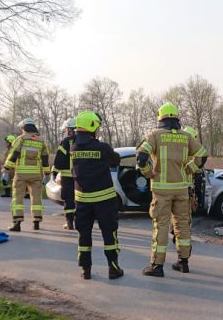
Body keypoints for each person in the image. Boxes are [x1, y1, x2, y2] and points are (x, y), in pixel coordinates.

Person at [138, 102, 207, 277]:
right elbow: (202, 154)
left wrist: (148, 173)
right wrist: (190, 169)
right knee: (182, 225)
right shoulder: (186, 137)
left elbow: (141, 157)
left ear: (160, 118)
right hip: (182, 190)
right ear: (177, 118)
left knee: (161, 226)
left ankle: (157, 266)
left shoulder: (155, 135)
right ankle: (183, 263)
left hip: (161, 190)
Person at [67, 111, 123, 280]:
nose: (98, 130)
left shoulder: (73, 148)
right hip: (104, 201)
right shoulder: (102, 148)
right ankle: (113, 269)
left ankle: (86, 270)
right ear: (92, 127)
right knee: (109, 234)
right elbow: (116, 159)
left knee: (84, 234)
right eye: (97, 127)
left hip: (82, 201)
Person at [3, 119, 49, 232]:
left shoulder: (21, 139)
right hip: (35, 174)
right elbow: (45, 159)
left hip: (21, 174)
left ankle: (17, 223)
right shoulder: (41, 141)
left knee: (18, 198)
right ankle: (36, 222)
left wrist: (6, 168)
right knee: (36, 198)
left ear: (24, 128)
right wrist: (47, 173)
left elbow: (13, 154)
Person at [52, 118, 78, 229]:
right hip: (80, 176)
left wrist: (54, 172)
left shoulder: (66, 142)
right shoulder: (84, 141)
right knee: (79, 200)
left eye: (68, 129)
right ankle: (79, 222)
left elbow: (59, 159)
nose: (67, 131)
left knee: (68, 199)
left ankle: (69, 222)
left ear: (71, 130)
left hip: (67, 177)